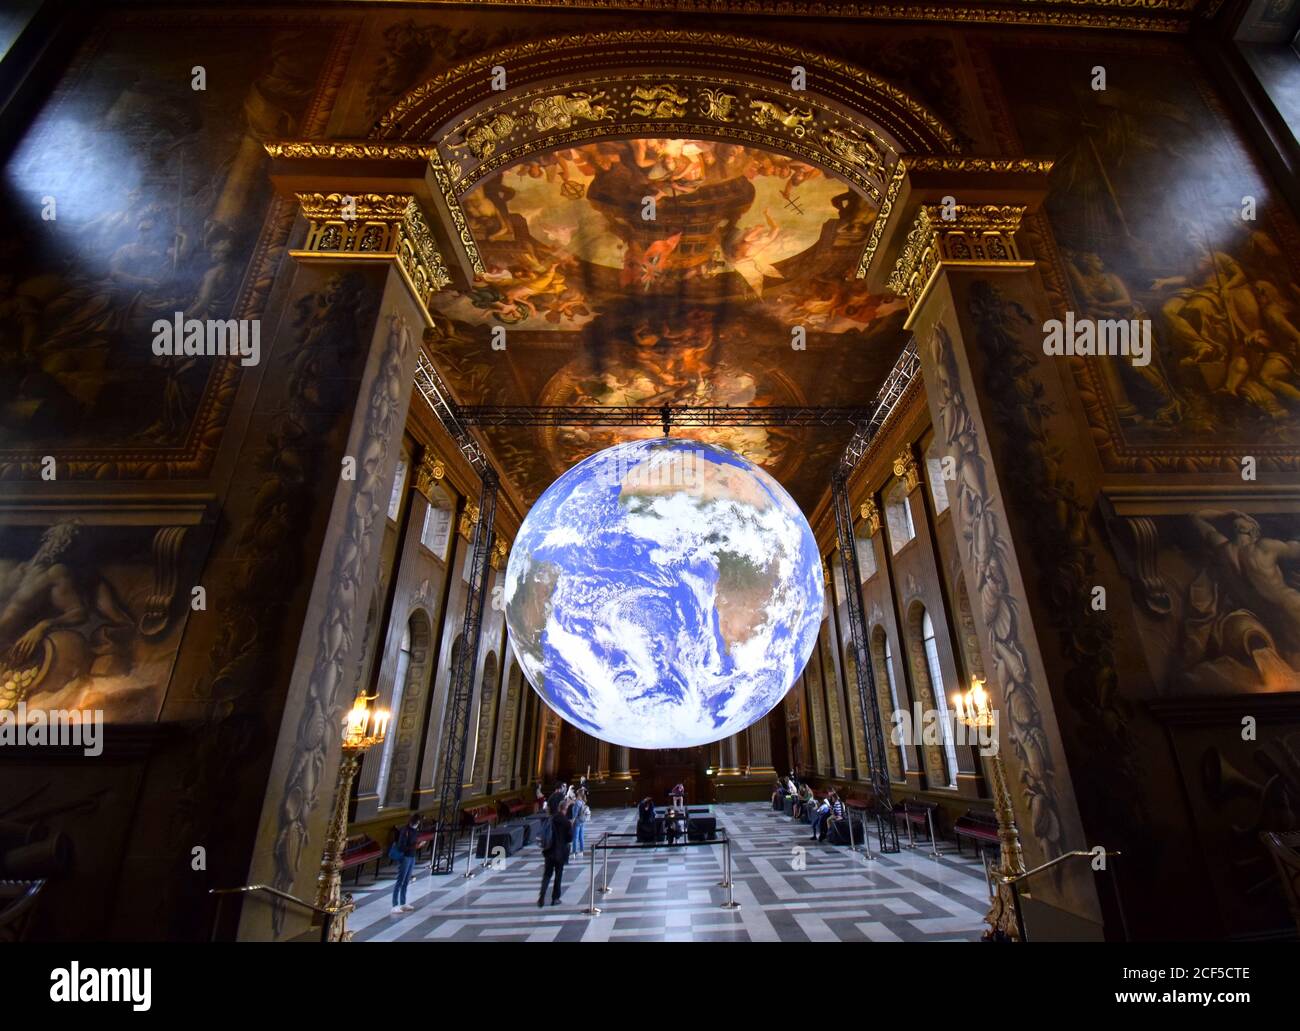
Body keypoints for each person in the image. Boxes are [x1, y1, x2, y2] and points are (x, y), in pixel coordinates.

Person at [538, 799, 574, 907]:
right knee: (558, 875)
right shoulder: (567, 822)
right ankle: (555, 898)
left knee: (547, 874)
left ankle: (542, 896)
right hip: (560, 852)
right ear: (566, 809)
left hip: (549, 850)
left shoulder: (551, 818)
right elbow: (570, 838)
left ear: (559, 808)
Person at [390, 813, 421, 914]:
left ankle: (403, 903)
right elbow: (401, 847)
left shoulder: (415, 830)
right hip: (405, 857)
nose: (417, 824)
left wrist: (417, 845)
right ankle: (395, 905)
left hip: (412, 857)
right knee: (400, 880)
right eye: (417, 822)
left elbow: (413, 842)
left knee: (406, 881)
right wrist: (414, 846)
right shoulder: (405, 831)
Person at [570, 788, 589, 857]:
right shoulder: (582, 801)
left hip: (577, 821)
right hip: (582, 821)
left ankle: (574, 852)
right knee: (581, 837)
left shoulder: (577, 802)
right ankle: (581, 851)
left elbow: (575, 814)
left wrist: (572, 822)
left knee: (575, 837)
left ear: (578, 794)